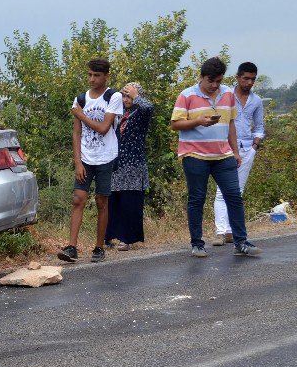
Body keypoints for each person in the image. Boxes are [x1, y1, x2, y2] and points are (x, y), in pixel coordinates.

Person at [170, 57, 261, 258]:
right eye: (210, 81)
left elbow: (230, 125)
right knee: (197, 198)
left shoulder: (228, 93)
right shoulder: (187, 95)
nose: (214, 85)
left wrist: (235, 151)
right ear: (201, 77)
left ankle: (241, 241)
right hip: (195, 154)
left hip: (223, 154)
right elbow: (175, 124)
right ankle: (197, 244)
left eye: (218, 81)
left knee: (234, 196)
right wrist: (197, 121)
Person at [58, 58, 124, 264]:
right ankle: (71, 247)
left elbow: (104, 128)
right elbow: (76, 132)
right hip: (86, 156)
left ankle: (98, 247)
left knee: (101, 201)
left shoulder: (113, 97)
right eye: (89, 75)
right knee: (78, 199)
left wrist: (80, 114)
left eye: (96, 75)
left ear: (106, 76)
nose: (92, 79)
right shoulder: (81, 99)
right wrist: (78, 161)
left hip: (106, 156)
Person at [212, 61, 265, 245]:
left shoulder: (256, 101)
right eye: (246, 78)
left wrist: (254, 146)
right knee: (221, 191)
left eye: (253, 79)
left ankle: (230, 231)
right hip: (225, 148)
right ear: (238, 77)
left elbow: (259, 127)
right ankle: (220, 231)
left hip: (247, 148)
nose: (249, 82)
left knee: (237, 191)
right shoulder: (226, 94)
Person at [104, 82, 153, 251]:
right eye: (124, 95)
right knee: (112, 201)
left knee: (129, 202)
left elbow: (148, 107)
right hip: (116, 163)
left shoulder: (140, 113)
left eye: (130, 96)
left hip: (133, 165)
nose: (126, 99)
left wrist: (136, 95)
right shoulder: (118, 114)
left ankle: (128, 238)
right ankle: (109, 237)